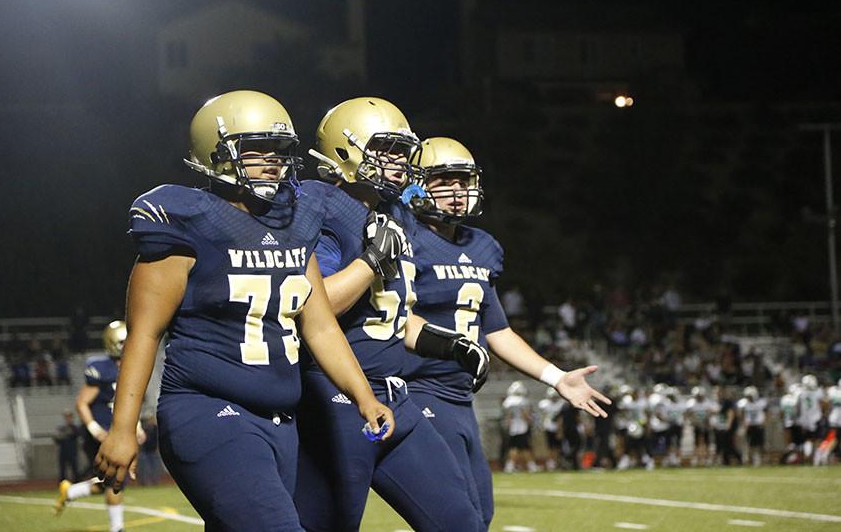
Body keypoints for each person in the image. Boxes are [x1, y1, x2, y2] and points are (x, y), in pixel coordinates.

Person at [93, 90, 393, 532]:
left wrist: (363, 397)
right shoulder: (187, 221)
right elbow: (145, 333)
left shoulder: (296, 221)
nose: (272, 161)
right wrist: (123, 427)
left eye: (279, 151)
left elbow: (319, 325)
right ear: (214, 153)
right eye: (256, 150)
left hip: (280, 423)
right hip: (209, 410)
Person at [295, 100, 489, 532]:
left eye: (403, 152)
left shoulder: (395, 211)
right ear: (346, 151)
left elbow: (393, 313)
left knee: (462, 522)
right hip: (334, 396)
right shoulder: (321, 205)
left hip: (397, 396)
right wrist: (371, 259)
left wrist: (451, 345)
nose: (399, 162)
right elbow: (316, 307)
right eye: (387, 149)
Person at [400, 137, 610, 524]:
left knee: (481, 513)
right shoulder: (402, 236)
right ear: (417, 183)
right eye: (445, 180)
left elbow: (497, 330)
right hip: (418, 389)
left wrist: (557, 377)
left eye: (463, 181)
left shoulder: (483, 247)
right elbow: (393, 314)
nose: (458, 192)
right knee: (457, 518)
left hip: (461, 397)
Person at [55, 320, 143, 532]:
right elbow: (82, 403)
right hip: (103, 433)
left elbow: (130, 403)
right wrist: (95, 430)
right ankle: (117, 528)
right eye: (124, 341)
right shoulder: (103, 368)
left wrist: (137, 427)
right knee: (116, 481)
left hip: (118, 431)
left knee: (109, 481)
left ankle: (70, 492)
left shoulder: (132, 366)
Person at [501, 382, 539, 473]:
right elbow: (524, 415)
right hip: (522, 427)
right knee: (525, 448)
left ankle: (510, 466)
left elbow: (508, 417)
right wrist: (531, 422)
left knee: (514, 448)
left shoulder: (508, 402)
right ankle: (531, 466)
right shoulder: (523, 401)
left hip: (513, 428)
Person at [736, 386, 767, 466]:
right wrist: (743, 423)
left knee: (760, 444)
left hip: (758, 425)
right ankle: (751, 460)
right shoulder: (744, 403)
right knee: (750, 444)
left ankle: (761, 460)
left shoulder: (761, 402)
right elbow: (740, 414)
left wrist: (764, 422)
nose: (748, 398)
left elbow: (766, 413)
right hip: (749, 426)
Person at [54, 411, 81, 482]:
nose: (68, 419)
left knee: (74, 469)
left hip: (72, 451)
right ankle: (62, 482)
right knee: (62, 469)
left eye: (70, 417)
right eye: (67, 418)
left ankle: (76, 482)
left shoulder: (75, 428)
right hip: (63, 451)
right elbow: (57, 439)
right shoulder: (62, 428)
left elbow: (76, 435)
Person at [137, 415, 160, 486]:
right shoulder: (143, 429)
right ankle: (144, 482)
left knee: (155, 468)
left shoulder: (156, 429)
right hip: (144, 451)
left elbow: (158, 440)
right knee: (145, 468)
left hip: (153, 451)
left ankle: (155, 481)